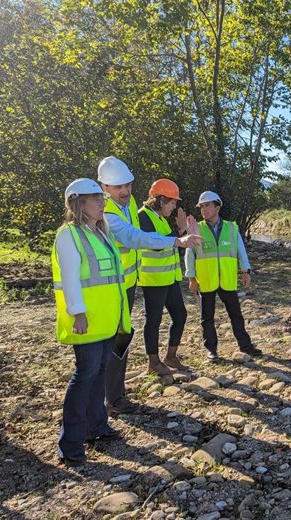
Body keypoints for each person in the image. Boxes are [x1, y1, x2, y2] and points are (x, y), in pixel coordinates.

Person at [98, 156, 200, 413]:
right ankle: (111, 398)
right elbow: (135, 238)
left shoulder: (129, 203)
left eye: (127, 185)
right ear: (104, 188)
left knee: (123, 336)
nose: (125, 191)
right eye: (117, 186)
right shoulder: (107, 213)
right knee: (115, 338)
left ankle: (115, 393)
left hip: (129, 283)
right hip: (112, 286)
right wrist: (177, 239)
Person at [52, 178, 131, 467]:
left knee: (99, 372)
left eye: (102, 198)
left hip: (107, 319)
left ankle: (96, 427)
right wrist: (78, 312)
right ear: (78, 203)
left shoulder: (102, 232)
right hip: (87, 320)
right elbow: (71, 278)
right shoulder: (68, 235)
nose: (102, 203)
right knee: (85, 375)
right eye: (95, 198)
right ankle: (70, 444)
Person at [185, 191, 262, 360]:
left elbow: (241, 251)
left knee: (236, 315)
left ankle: (245, 345)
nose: (203, 209)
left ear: (217, 207)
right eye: (201, 206)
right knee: (207, 318)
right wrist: (191, 278)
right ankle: (211, 349)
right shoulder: (197, 228)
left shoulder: (231, 227)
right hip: (206, 280)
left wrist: (246, 271)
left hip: (227, 279)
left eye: (207, 205)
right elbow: (189, 254)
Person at [138, 179, 191, 375]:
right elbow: (157, 243)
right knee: (153, 320)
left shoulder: (159, 217)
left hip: (168, 278)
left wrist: (180, 230)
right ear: (160, 199)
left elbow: (169, 240)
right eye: (172, 202)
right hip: (153, 280)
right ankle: (153, 362)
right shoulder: (143, 216)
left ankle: (170, 356)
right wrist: (179, 235)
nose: (174, 206)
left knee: (180, 315)